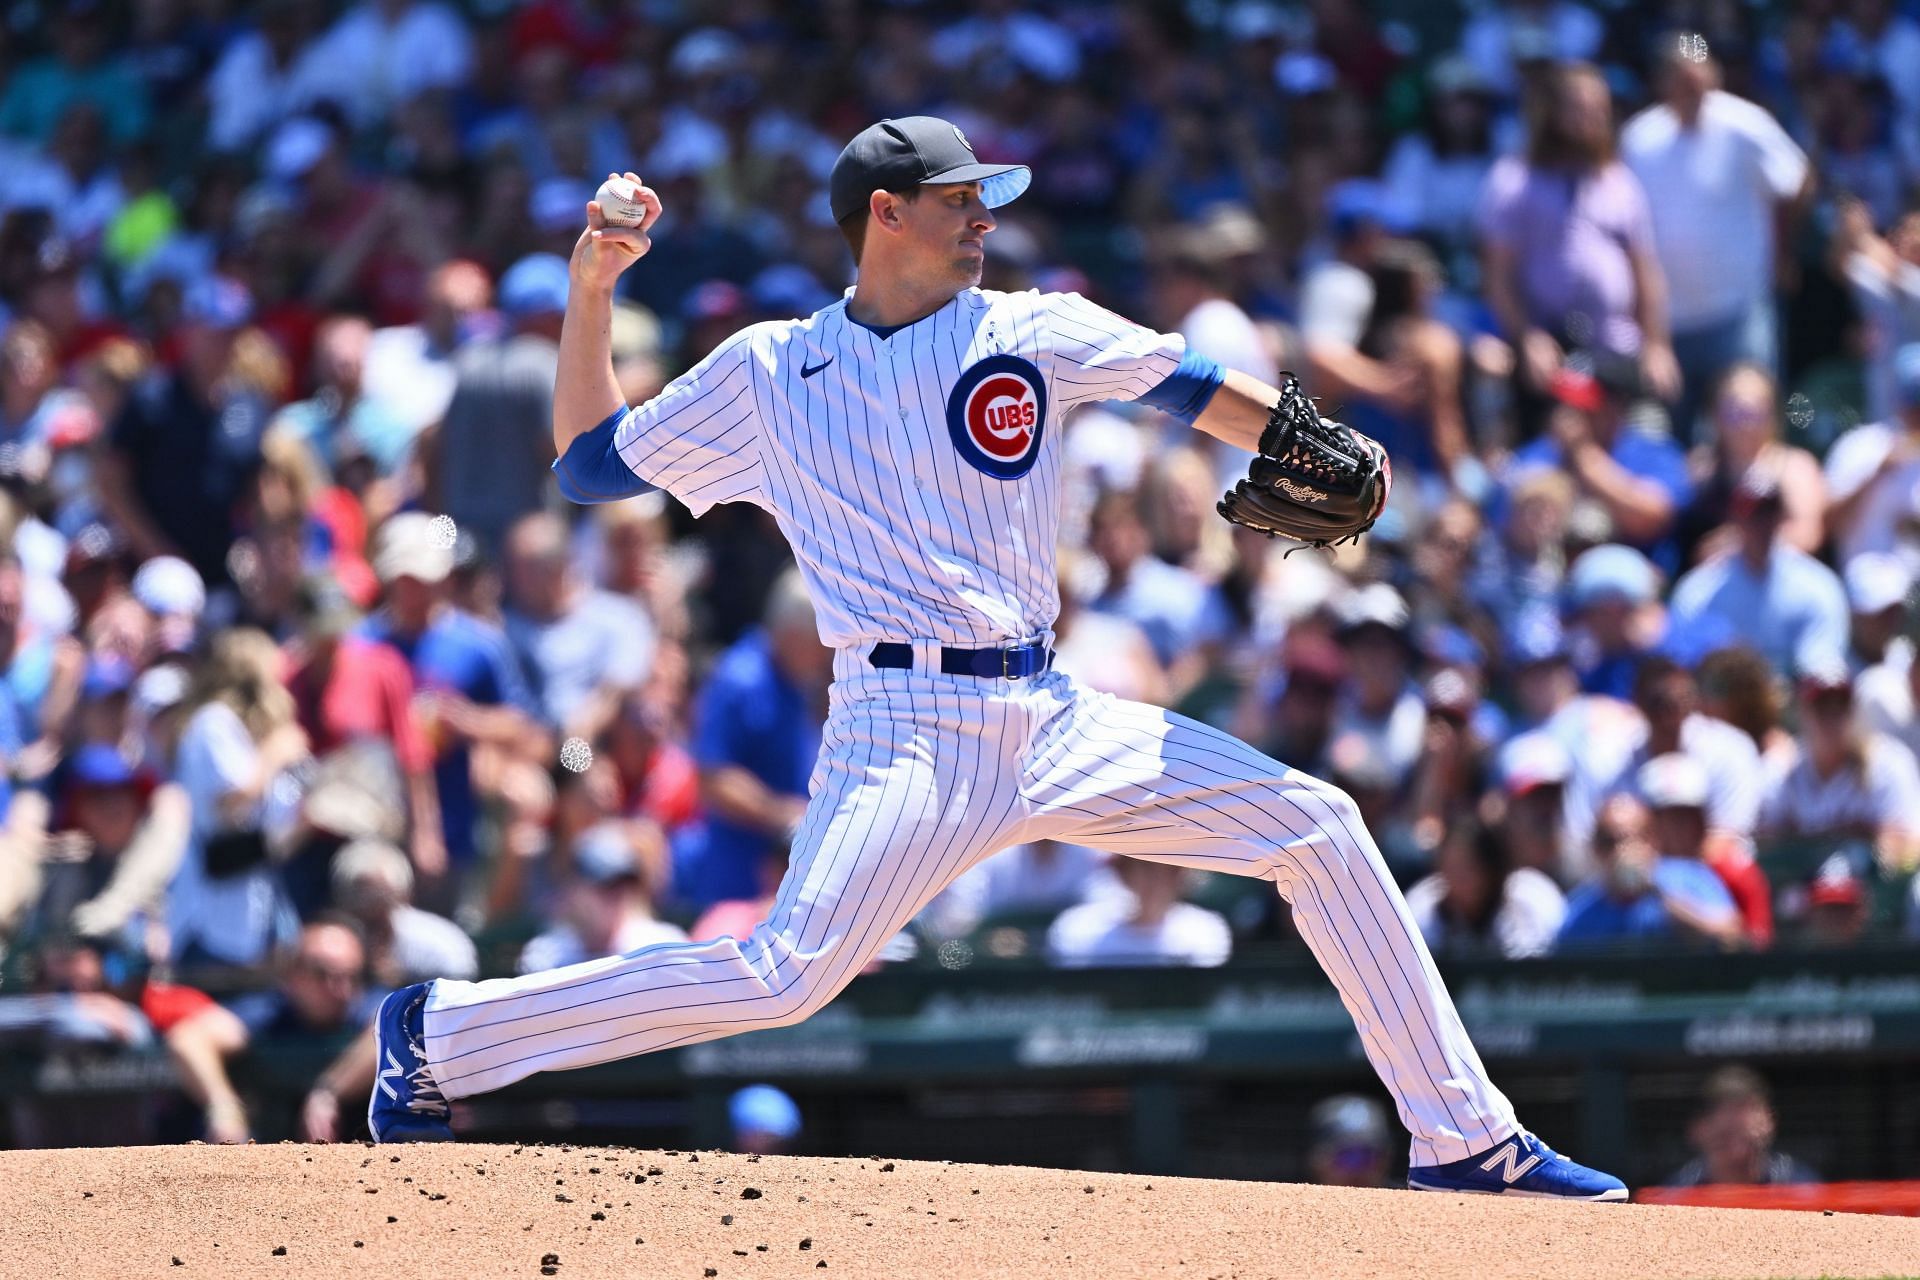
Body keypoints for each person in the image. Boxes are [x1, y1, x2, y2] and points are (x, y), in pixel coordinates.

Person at [370, 117, 1628, 1202]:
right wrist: (590, 293)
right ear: (884, 213)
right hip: (900, 725)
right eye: (961, 200)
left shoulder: (1031, 327)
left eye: (987, 200)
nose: (984, 219)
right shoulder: (769, 368)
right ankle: (438, 1036)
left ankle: (1464, 1138)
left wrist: (1314, 437)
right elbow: (591, 463)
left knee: (1320, 826)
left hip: (1052, 707)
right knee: (782, 976)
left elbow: (1193, 382)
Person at [1620, 34, 1810, 442]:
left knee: (1752, 425)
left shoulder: (1746, 125)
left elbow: (1797, 182)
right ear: (1662, 81)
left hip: (1739, 310)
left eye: (1698, 76)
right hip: (1669, 321)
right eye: (1680, 79)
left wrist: (1782, 248)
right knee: (1675, 437)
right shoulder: (1639, 138)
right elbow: (1629, 228)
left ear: (1714, 74)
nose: (1692, 87)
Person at [1480, 62, 1679, 434]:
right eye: (1579, 108)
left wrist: (1657, 345)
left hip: (1617, 350)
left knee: (1647, 439)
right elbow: (1499, 278)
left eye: (1599, 109)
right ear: (1552, 113)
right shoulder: (1515, 181)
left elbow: (1644, 270)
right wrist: (1527, 337)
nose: (1591, 119)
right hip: (1549, 352)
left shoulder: (1619, 181)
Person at [678, 569, 828, 909]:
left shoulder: (803, 681)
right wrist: (781, 813)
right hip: (738, 878)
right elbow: (712, 779)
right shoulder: (739, 678)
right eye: (819, 641)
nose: (826, 652)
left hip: (790, 871)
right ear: (791, 634)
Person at [162, 918, 383, 1144]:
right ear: (293, 974)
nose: (340, 988)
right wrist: (224, 1106)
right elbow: (188, 1038)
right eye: (323, 974)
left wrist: (328, 1093)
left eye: (351, 976)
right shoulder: (271, 1012)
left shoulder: (370, 1008)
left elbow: (391, 1034)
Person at [1669, 470, 1849, 677]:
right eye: (1751, 514)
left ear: (1781, 517)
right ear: (1734, 519)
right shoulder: (1699, 590)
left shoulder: (1817, 585)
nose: (1760, 524)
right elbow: (1684, 665)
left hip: (1791, 703)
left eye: (1768, 512)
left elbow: (1823, 668)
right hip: (1719, 704)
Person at [1761, 661, 1920, 876]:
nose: (1832, 719)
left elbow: (1912, 846)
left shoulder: (1888, 764)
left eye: (1841, 708)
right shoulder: (1780, 768)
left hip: (1868, 893)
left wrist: (1875, 850)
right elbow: (1762, 848)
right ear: (1802, 714)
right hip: (1805, 897)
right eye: (1822, 709)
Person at [1556, 793, 1742, 950]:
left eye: (1628, 839)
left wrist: (1658, 894)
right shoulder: (1580, 911)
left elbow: (1734, 939)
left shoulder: (1690, 877)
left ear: (1652, 841)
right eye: (1608, 842)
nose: (1619, 851)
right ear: (1595, 849)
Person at [517, 821, 685, 973]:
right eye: (607, 883)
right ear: (577, 889)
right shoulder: (545, 957)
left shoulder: (663, 948)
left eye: (624, 882)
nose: (617, 893)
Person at [1404, 817, 1566, 958]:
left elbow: (1533, 973)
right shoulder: (1423, 906)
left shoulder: (1528, 898)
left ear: (1491, 869)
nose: (1458, 877)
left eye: (1468, 867)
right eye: (1451, 867)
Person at [1045, 856, 1231, 968]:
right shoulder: (1076, 928)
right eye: (1143, 866)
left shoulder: (1206, 930)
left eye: (1168, 869)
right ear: (1124, 871)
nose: (1155, 878)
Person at [1661, 1066, 1818, 1188]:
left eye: (1747, 1139)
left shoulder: (1799, 1186)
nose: (1737, 1151)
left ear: (1769, 1122)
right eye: (1725, 1138)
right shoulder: (1678, 1193)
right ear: (1698, 1131)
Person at [1304, 1093, 1393, 1189]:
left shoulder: (1406, 1200)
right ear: (1318, 1160)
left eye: (1366, 1155)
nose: (1358, 1169)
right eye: (1347, 1156)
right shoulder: (1296, 1201)